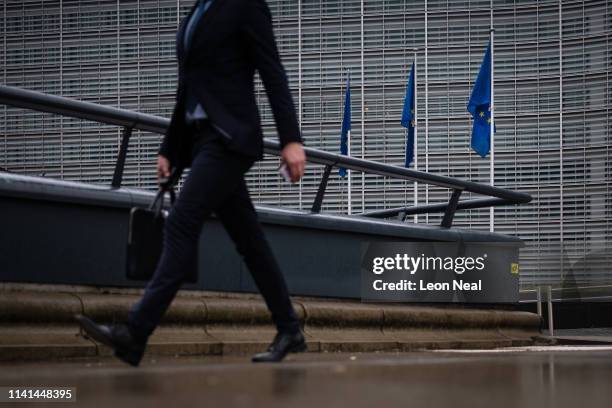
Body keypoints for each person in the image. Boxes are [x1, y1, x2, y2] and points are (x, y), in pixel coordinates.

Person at [75, 0, 307, 366]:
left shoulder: (245, 6)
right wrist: (171, 148)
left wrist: (291, 139)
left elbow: (272, 71)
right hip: (200, 140)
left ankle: (135, 331)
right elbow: (189, 87)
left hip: (229, 138)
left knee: (182, 223)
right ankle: (289, 328)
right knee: (250, 241)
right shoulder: (196, 13)